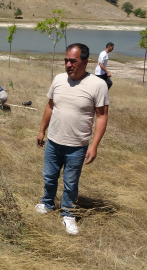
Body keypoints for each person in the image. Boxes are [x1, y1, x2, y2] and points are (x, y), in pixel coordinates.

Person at [35, 43, 109, 235]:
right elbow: (50, 106)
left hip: (77, 146)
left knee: (70, 182)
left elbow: (101, 116)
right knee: (49, 177)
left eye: (73, 61)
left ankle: (67, 213)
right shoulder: (59, 79)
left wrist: (94, 145)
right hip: (53, 141)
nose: (68, 64)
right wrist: (42, 130)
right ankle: (47, 203)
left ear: (85, 62)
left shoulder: (98, 85)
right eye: (66, 60)